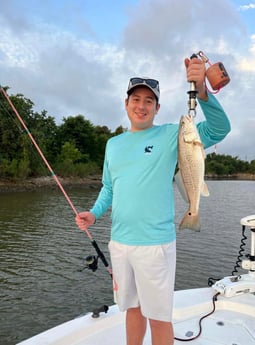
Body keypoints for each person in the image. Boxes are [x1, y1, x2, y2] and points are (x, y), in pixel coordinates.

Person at [75, 57, 231, 345]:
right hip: (120, 244)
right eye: (136, 99)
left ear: (157, 108)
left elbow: (220, 129)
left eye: (149, 101)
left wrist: (203, 91)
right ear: (126, 104)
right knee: (132, 310)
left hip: (156, 245)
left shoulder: (173, 135)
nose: (141, 106)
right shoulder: (114, 144)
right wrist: (94, 214)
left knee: (159, 318)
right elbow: (109, 187)